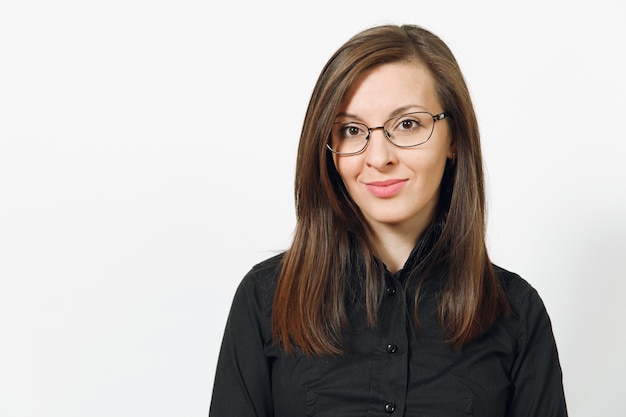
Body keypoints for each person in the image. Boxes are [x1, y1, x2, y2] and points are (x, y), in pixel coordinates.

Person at [208, 24, 567, 417]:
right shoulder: (265, 300)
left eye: (408, 124)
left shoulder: (515, 312)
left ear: (454, 140)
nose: (378, 157)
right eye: (350, 130)